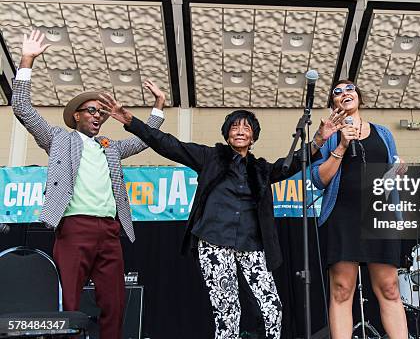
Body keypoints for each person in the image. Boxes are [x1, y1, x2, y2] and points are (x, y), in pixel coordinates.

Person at [97, 92, 346, 339]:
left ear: (253, 137)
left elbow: (289, 165)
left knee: (272, 309)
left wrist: (319, 141)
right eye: (234, 127)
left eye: (246, 128)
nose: (240, 131)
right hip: (214, 242)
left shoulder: (260, 169)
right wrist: (129, 120)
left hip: (252, 244)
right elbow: (168, 144)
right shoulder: (211, 157)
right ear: (227, 134)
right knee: (227, 312)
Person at [11, 30, 166, 338]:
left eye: (102, 112)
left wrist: (158, 107)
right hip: (73, 228)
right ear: (77, 115)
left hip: (110, 231)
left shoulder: (110, 146)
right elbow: (22, 108)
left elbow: (143, 142)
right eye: (92, 110)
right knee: (67, 300)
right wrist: (27, 60)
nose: (98, 116)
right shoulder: (58, 139)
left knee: (115, 302)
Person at [311, 79, 408, 339]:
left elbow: (390, 179)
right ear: (333, 103)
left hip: (380, 214)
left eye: (350, 89)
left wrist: (397, 171)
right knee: (342, 289)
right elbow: (319, 179)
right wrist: (341, 145)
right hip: (343, 215)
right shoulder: (328, 135)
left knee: (389, 287)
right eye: (337, 92)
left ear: (359, 98)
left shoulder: (383, 133)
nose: (345, 93)